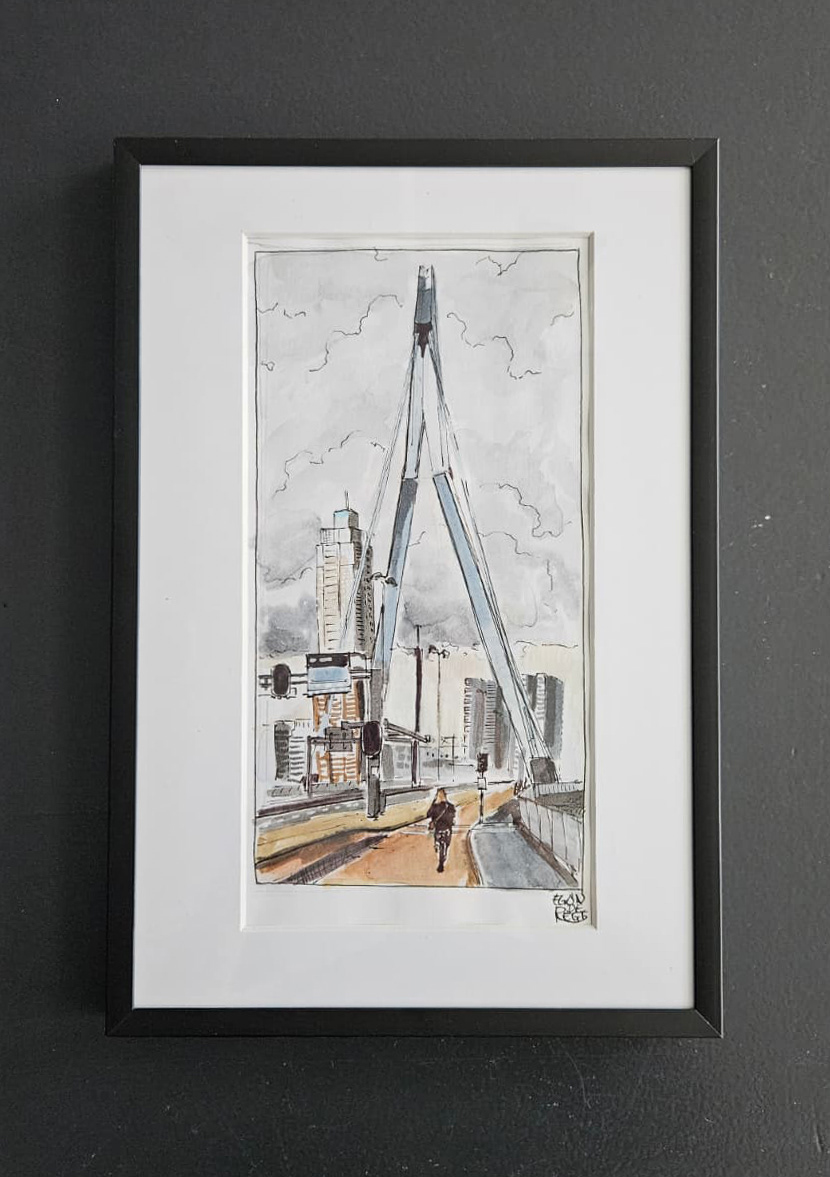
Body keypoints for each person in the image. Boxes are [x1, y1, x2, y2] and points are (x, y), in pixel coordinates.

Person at [427, 787, 456, 873]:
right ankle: (443, 858)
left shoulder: (435, 806)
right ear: (445, 795)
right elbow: (453, 817)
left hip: (438, 830)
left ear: (437, 796)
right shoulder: (450, 806)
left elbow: (428, 814)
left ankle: (437, 845)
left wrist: (433, 803)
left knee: (438, 841)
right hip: (447, 830)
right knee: (446, 845)